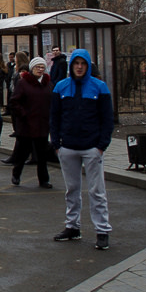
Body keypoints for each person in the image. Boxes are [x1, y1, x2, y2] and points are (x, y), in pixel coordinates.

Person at [49, 49, 114, 250]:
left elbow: (107, 118)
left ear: (88, 65)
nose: (79, 67)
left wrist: (101, 146)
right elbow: (54, 117)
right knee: (72, 189)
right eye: (76, 63)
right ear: (71, 66)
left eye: (82, 63)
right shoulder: (61, 87)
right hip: (67, 147)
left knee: (97, 191)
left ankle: (102, 230)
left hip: (91, 147)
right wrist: (57, 144)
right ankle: (72, 226)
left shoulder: (99, 87)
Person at [8, 57, 53, 188]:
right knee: (23, 153)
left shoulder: (48, 84)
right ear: (32, 68)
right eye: (37, 67)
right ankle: (16, 174)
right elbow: (14, 102)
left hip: (42, 124)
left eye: (42, 67)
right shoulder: (23, 83)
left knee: (42, 154)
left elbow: (53, 102)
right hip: (26, 125)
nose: (40, 69)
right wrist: (23, 114)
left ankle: (43, 180)